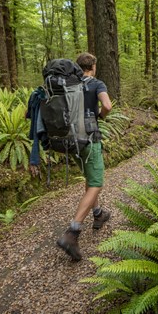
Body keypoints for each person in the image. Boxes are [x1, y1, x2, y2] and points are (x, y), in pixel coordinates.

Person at [56, 52, 112, 261]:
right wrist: (101, 116)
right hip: (89, 139)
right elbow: (107, 106)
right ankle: (73, 231)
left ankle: (97, 213)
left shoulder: (70, 84)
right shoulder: (97, 83)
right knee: (96, 183)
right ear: (93, 67)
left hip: (72, 141)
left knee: (89, 178)